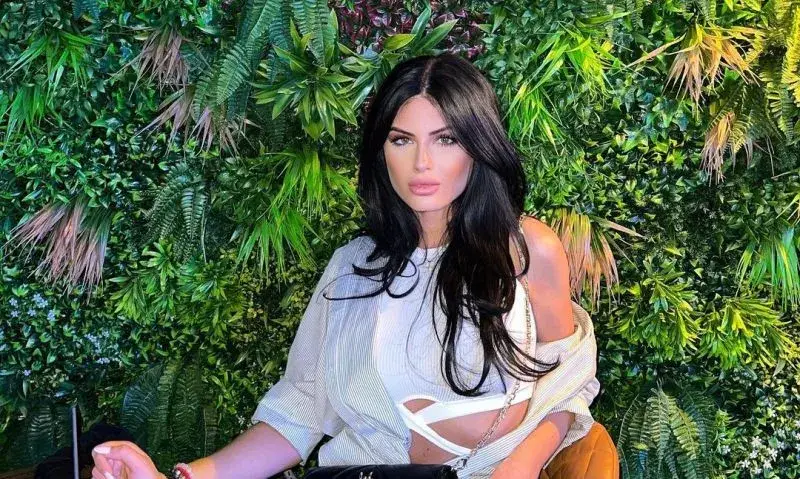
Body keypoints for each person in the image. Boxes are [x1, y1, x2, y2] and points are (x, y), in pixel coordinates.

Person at [91, 52, 600, 479]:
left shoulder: (526, 250)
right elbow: (301, 410)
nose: (422, 163)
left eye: (446, 139)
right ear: (382, 152)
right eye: (401, 140)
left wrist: (520, 466)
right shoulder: (354, 267)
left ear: (478, 146)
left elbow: (568, 385)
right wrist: (181, 477)